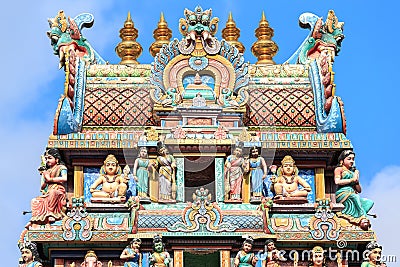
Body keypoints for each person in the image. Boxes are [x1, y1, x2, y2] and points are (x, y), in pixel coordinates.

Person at [28, 148, 68, 227]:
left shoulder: (61, 167)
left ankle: (51, 214)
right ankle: (35, 219)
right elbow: (42, 187)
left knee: (53, 192)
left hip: (58, 190)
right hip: (48, 192)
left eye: (50, 158)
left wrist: (50, 179)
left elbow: (64, 178)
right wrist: (45, 178)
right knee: (35, 200)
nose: (47, 160)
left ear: (56, 159)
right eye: (46, 159)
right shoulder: (47, 171)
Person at [334, 150, 374, 226]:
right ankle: (362, 217)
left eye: (353, 159)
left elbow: (359, 190)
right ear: (342, 160)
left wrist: (356, 180)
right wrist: (351, 180)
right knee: (355, 197)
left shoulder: (353, 172)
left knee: (369, 202)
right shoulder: (339, 169)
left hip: (352, 192)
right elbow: (337, 181)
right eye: (349, 159)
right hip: (343, 193)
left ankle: (356, 214)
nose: (351, 161)